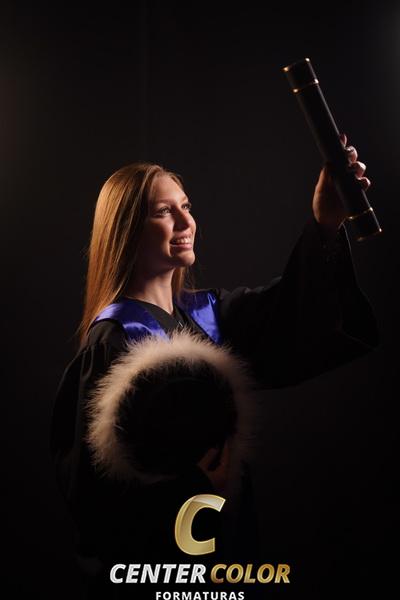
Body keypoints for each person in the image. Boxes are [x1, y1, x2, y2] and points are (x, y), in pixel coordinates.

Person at [50, 133, 379, 597]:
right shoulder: (114, 341)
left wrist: (325, 222)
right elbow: (92, 495)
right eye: (163, 212)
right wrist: (190, 486)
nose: (186, 221)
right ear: (127, 230)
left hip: (227, 550)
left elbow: (293, 309)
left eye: (186, 206)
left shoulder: (208, 317)